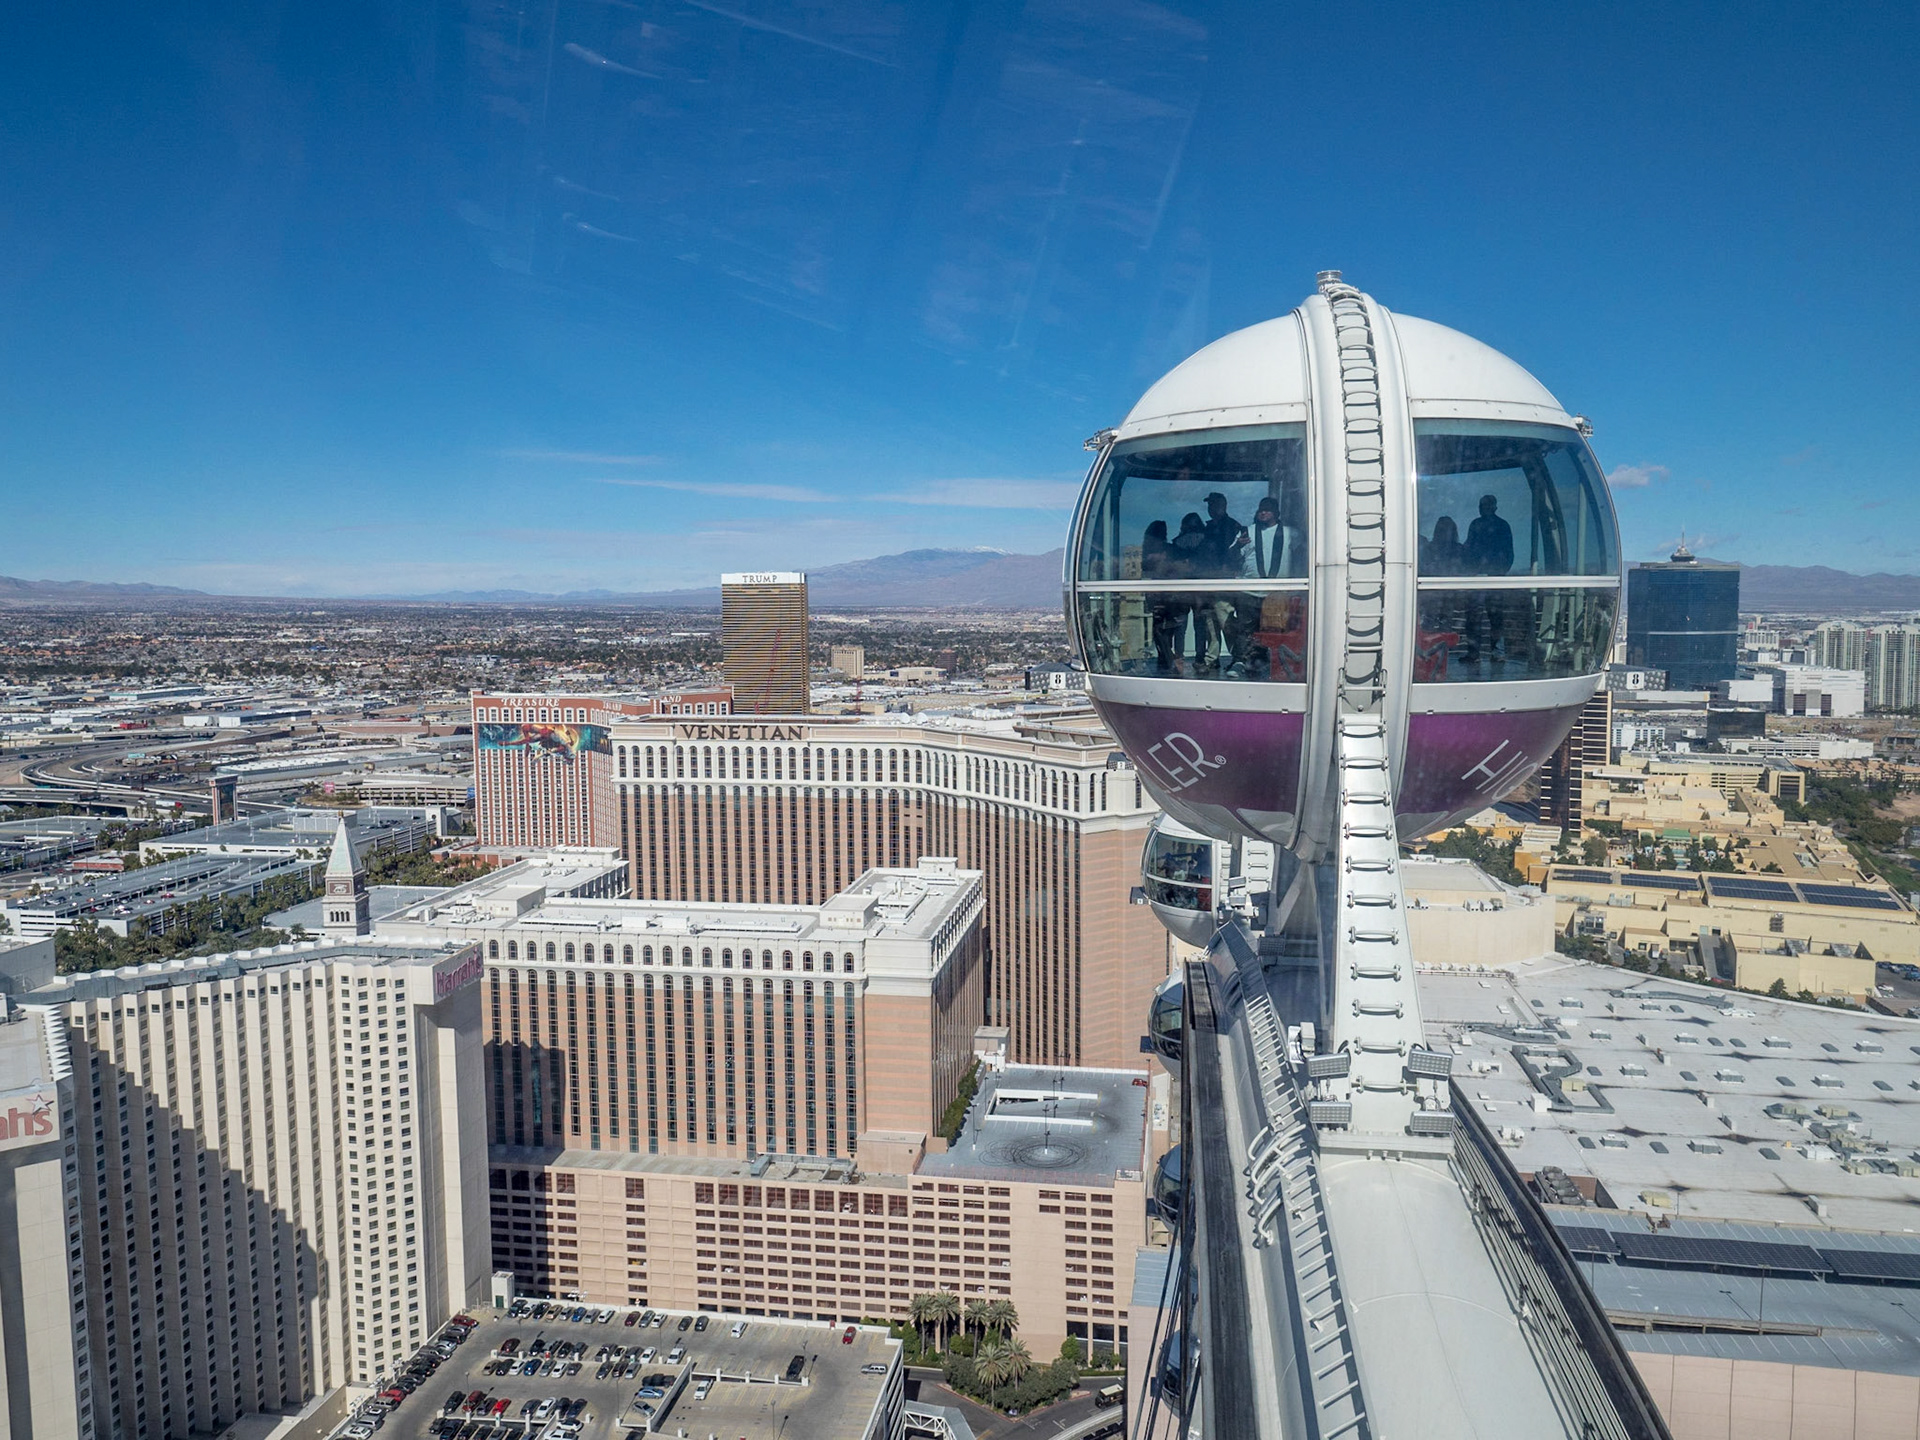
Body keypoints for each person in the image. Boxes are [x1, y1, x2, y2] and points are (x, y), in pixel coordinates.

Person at [1243, 496, 1302, 579]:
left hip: (1282, 588)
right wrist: (1238, 545)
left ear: (1276, 512)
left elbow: (1300, 560)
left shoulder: (1290, 533)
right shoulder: (1247, 532)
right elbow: (1232, 557)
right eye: (1260, 510)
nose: (1263, 512)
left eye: (1267, 510)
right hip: (1250, 587)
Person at [1464, 494, 1514, 576]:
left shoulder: (1502, 526)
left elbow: (1508, 554)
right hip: (1476, 577)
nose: (1482, 508)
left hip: (1496, 576)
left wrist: (1499, 571)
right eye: (1481, 506)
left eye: (1486, 505)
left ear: (1494, 508)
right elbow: (1469, 547)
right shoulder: (1475, 524)